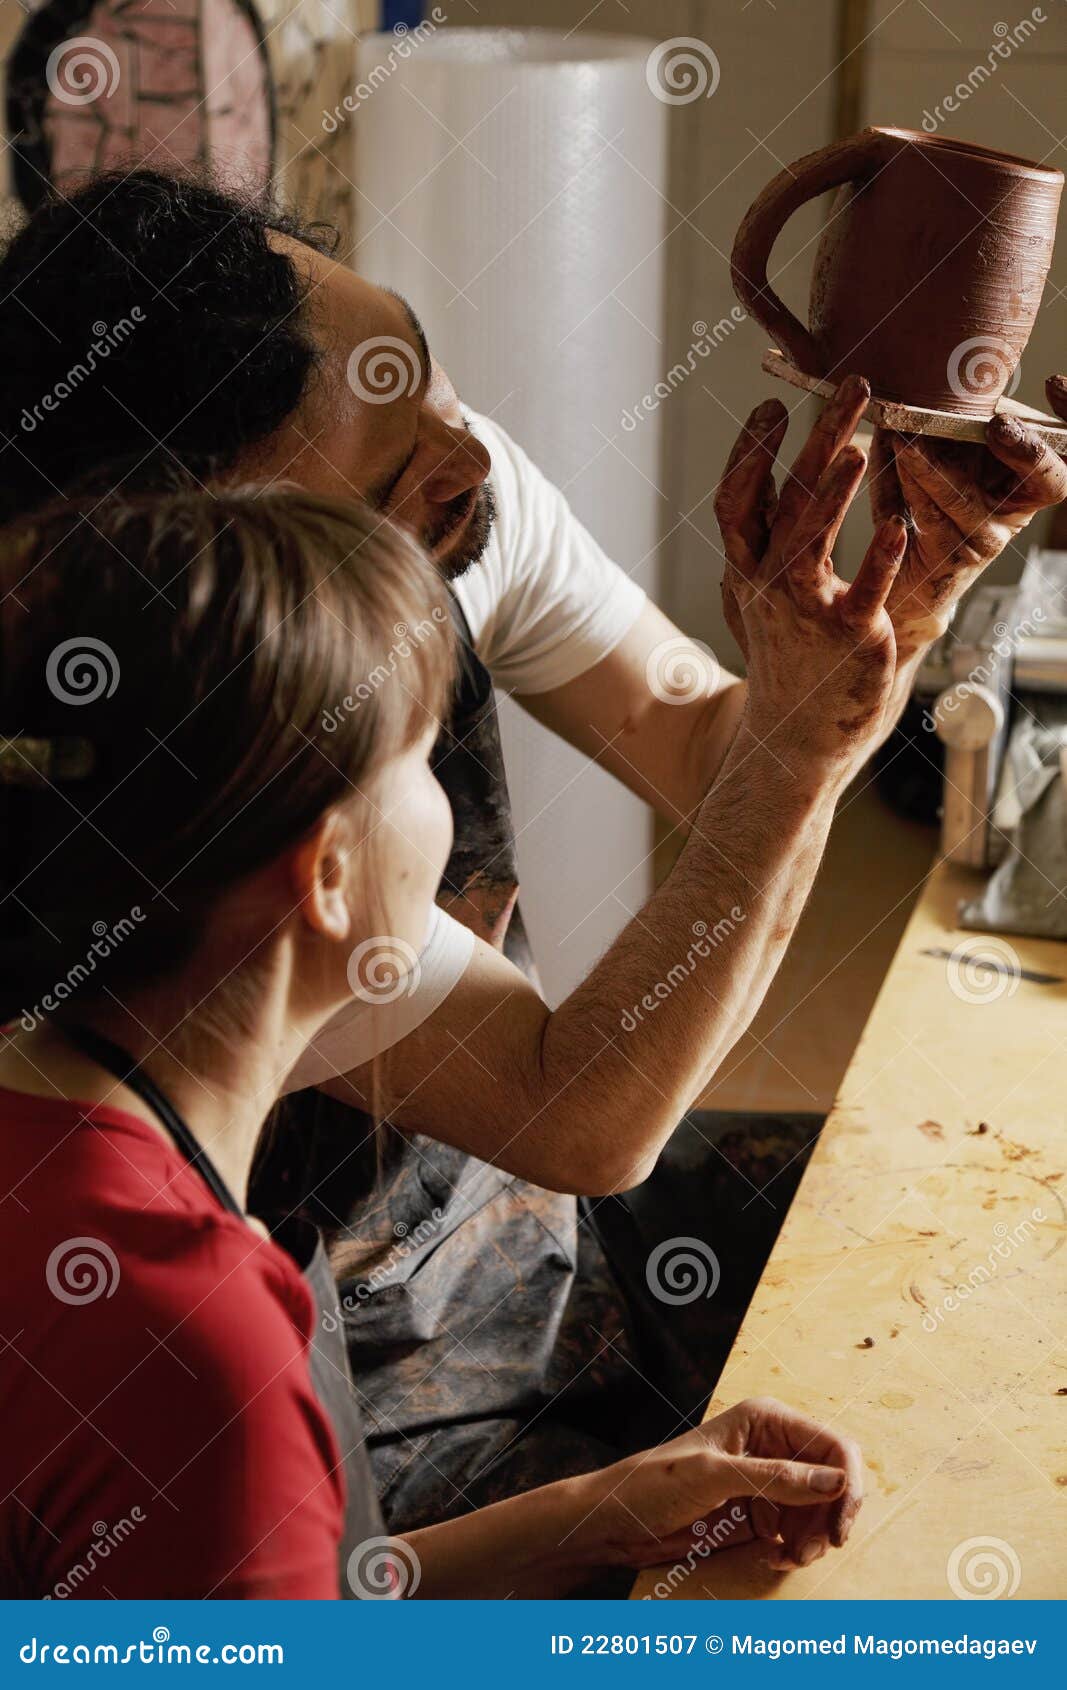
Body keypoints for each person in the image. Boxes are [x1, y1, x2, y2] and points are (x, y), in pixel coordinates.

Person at [1, 170, 1064, 1534]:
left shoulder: (436, 475)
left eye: (426, 378)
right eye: (397, 475)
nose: (471, 459)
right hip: (385, 1388)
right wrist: (798, 749)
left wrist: (889, 599)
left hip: (511, 1265)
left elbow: (704, 739)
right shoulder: (180, 799)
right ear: (211, 566)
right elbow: (581, 1111)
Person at [0, 484, 864, 1598]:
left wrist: (591, 1515)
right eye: (419, 759)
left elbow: (235, 1604)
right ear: (323, 874)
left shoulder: (57, 1143)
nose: (451, 804)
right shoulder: (194, 1339)